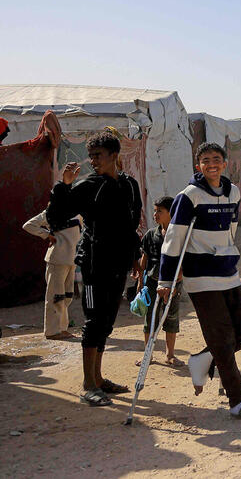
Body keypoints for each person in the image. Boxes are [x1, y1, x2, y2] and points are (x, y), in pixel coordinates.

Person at [158, 141, 241, 419]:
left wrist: (227, 255)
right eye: (206, 160)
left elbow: (231, 230)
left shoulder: (234, 192)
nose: (212, 164)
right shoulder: (189, 196)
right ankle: (237, 400)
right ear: (198, 165)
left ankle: (203, 359)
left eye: (216, 159)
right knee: (222, 336)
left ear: (225, 163)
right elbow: (174, 239)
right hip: (201, 276)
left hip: (228, 272)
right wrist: (165, 281)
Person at [46, 131, 143, 407]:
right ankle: (88, 384)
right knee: (94, 321)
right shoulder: (89, 186)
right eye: (91, 156)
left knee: (107, 322)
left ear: (115, 155)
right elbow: (55, 216)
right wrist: (63, 186)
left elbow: (131, 225)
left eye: (98, 155)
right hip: (94, 263)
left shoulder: (130, 186)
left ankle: (99, 379)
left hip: (118, 264)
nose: (93, 161)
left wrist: (135, 257)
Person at [136, 196, 182, 367]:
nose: (155, 214)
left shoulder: (178, 235)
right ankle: (148, 355)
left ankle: (170, 355)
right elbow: (144, 260)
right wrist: (141, 281)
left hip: (173, 284)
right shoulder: (150, 235)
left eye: (159, 211)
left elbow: (184, 261)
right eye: (155, 211)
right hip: (152, 282)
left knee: (171, 318)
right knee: (150, 319)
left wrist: (177, 282)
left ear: (171, 213)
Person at [22, 209, 82, 340]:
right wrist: (47, 234)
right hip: (57, 259)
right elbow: (29, 225)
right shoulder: (51, 212)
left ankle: (62, 328)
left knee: (66, 296)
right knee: (55, 296)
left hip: (72, 259)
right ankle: (52, 331)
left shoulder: (78, 211)